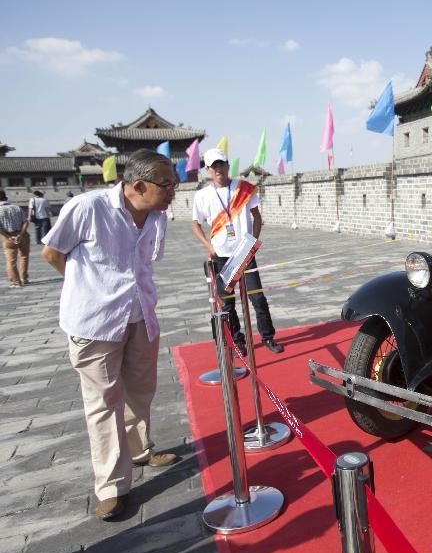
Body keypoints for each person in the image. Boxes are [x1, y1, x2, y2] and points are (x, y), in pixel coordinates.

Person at [41, 149, 179, 521]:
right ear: (138, 185)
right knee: (104, 403)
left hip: (140, 317)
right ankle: (112, 486)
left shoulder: (157, 216)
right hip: (95, 322)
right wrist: (87, 290)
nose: (173, 192)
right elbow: (52, 253)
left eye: (175, 184)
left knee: (141, 390)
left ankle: (139, 451)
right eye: (168, 185)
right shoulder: (88, 208)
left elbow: (147, 263)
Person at [191, 148, 284, 355]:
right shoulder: (202, 196)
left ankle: (268, 337)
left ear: (227, 164)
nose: (218, 169)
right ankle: (238, 340)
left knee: (257, 298)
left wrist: (253, 241)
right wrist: (209, 246)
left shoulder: (244, 189)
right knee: (228, 303)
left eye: (221, 164)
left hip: (244, 253)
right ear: (207, 169)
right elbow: (195, 225)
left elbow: (257, 217)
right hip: (221, 256)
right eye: (213, 166)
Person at [0, 189, 29, 287]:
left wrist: (9, 237)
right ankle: (23, 278)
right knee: (24, 256)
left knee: (11, 261)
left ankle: (16, 282)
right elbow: (26, 222)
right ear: (6, 198)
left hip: (8, 236)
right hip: (22, 235)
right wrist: (20, 234)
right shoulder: (17, 207)